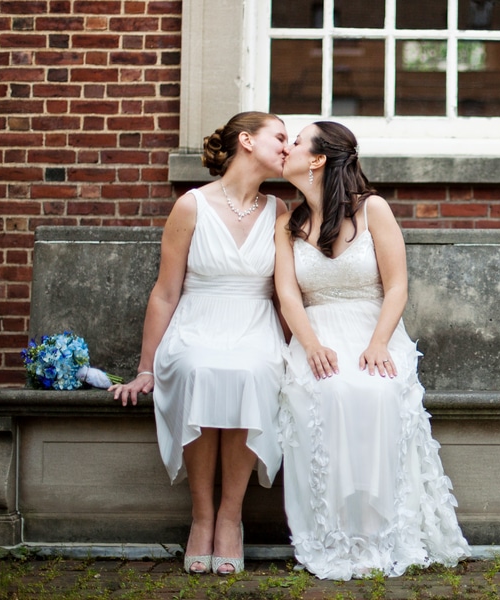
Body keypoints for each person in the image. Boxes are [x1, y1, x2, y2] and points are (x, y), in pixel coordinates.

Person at [274, 121, 471, 580]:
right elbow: (287, 294)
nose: (288, 148)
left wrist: (379, 341)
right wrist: (310, 344)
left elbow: (397, 284)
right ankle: (333, 533)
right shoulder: (288, 221)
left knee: (376, 393)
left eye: (297, 142)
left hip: (372, 328)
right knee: (329, 394)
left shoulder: (372, 209)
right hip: (316, 330)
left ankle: (379, 531)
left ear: (319, 158)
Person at [109, 111, 289, 576]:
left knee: (249, 372)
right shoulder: (191, 205)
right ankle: (202, 516)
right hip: (197, 321)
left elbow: (286, 292)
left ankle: (231, 518)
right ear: (247, 141)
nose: (289, 148)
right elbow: (166, 291)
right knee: (199, 369)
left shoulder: (280, 211)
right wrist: (146, 366)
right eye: (281, 138)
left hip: (254, 324)